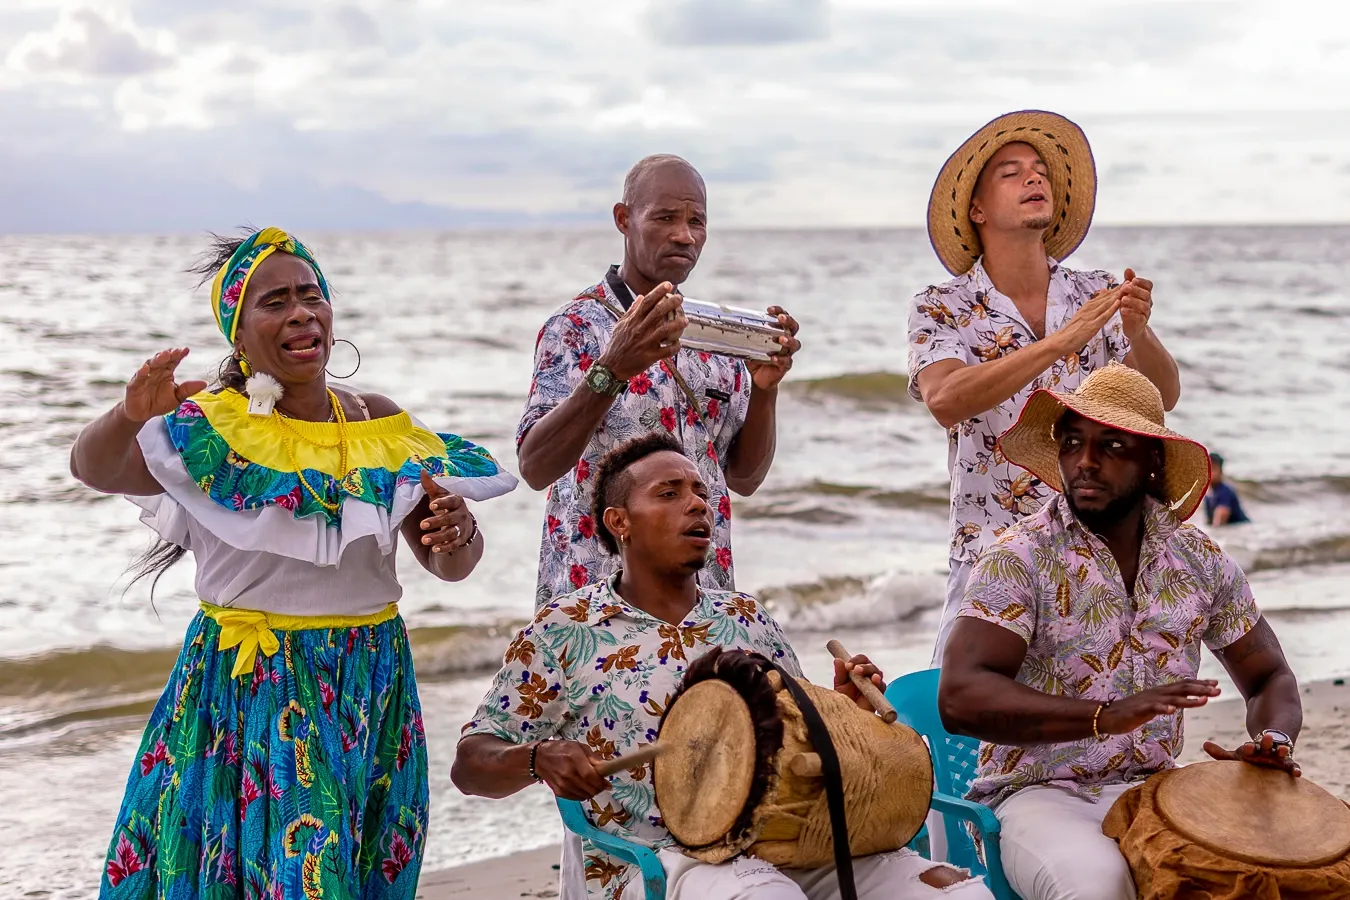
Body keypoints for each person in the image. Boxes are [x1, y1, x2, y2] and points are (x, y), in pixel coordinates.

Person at [70, 227, 517, 898]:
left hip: (372, 678)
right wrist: (128, 414)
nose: (301, 313)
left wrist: (460, 531)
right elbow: (94, 468)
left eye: (311, 295)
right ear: (238, 334)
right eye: (274, 302)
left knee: (358, 869)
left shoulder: (377, 422)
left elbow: (451, 566)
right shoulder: (210, 428)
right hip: (257, 682)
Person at [453, 434, 991, 900]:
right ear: (619, 522)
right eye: (669, 494)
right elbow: (470, 764)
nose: (697, 505)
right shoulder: (564, 629)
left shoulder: (745, 616)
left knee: (952, 890)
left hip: (785, 839)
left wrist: (841, 711)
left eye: (701, 494)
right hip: (660, 860)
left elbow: (795, 736)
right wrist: (536, 758)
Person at [938, 364, 1302, 900]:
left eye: (1111, 446)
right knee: (1100, 886)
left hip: (1157, 790)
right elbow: (960, 696)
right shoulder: (1020, 557)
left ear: (1153, 460)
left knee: (1260, 878)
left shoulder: (1199, 560)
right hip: (1039, 795)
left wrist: (1273, 740)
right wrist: (1102, 716)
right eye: (1072, 443)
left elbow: (1270, 676)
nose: (1085, 461)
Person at [907, 110, 1183, 666]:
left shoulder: (1096, 291)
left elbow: (1163, 398)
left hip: (1098, 549)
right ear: (977, 211)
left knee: (1101, 707)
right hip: (988, 548)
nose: (1034, 177)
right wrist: (1059, 343)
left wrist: (1137, 331)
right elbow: (945, 399)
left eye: (1039, 170)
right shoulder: (940, 305)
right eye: (1011, 173)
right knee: (964, 706)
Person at [516, 154, 801, 609]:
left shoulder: (716, 337)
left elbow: (744, 479)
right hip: (596, 601)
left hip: (701, 599)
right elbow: (535, 466)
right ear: (623, 219)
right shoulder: (576, 328)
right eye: (665, 217)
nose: (684, 235)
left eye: (696, 221)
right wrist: (613, 368)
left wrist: (766, 389)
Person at [1204, 452, 1251, 526]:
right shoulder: (1208, 495)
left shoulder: (1225, 490)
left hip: (1242, 525)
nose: (1209, 473)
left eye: (1213, 469)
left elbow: (1222, 515)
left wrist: (1214, 530)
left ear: (1221, 471)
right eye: (1207, 469)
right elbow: (1209, 521)